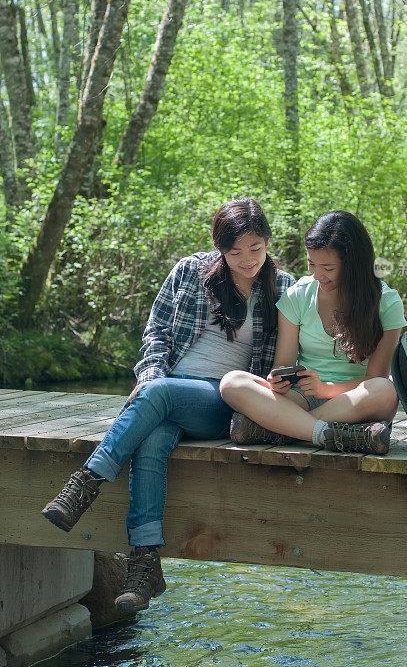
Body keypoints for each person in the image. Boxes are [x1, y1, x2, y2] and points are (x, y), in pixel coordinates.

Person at [42, 199, 294, 612]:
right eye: (234, 252)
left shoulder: (283, 288)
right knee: (153, 439)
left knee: (156, 395)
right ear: (219, 249)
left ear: (267, 241)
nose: (246, 260)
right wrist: (150, 377)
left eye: (255, 248)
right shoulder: (190, 272)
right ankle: (144, 567)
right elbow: (156, 332)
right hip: (170, 391)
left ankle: (86, 482)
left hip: (229, 397)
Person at [220, 210, 406, 454]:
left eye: (328, 268)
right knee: (232, 383)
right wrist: (279, 380)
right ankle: (327, 434)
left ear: (353, 265)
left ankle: (282, 430)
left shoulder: (387, 302)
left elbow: (374, 379)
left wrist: (326, 389)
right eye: (311, 264)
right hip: (303, 396)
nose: (317, 275)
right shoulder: (298, 295)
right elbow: (283, 364)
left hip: (356, 399)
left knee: (385, 390)